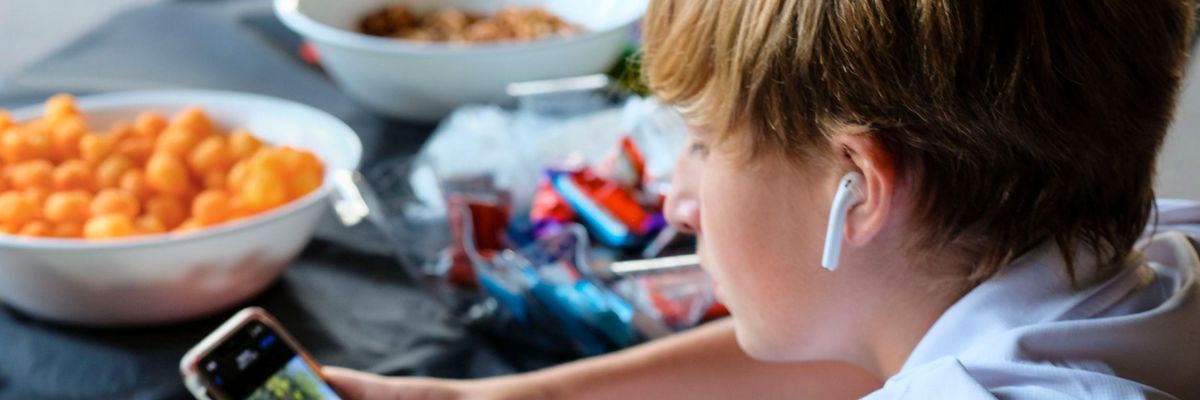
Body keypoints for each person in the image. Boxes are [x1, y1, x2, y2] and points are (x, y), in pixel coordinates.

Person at [325, 0, 1200, 398]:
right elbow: (859, 352)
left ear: (856, 188)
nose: (676, 201)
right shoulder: (1148, 255)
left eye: (702, 145)